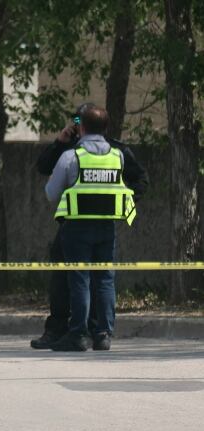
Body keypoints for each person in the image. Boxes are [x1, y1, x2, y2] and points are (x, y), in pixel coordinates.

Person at [31, 103, 149, 350]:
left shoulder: (93, 153)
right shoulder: (83, 149)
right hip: (100, 226)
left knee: (80, 279)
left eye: (77, 121)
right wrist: (60, 141)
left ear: (82, 125)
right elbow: (42, 165)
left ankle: (81, 332)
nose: (74, 125)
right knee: (100, 278)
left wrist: (124, 200)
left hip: (77, 226)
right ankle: (93, 332)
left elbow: (51, 192)